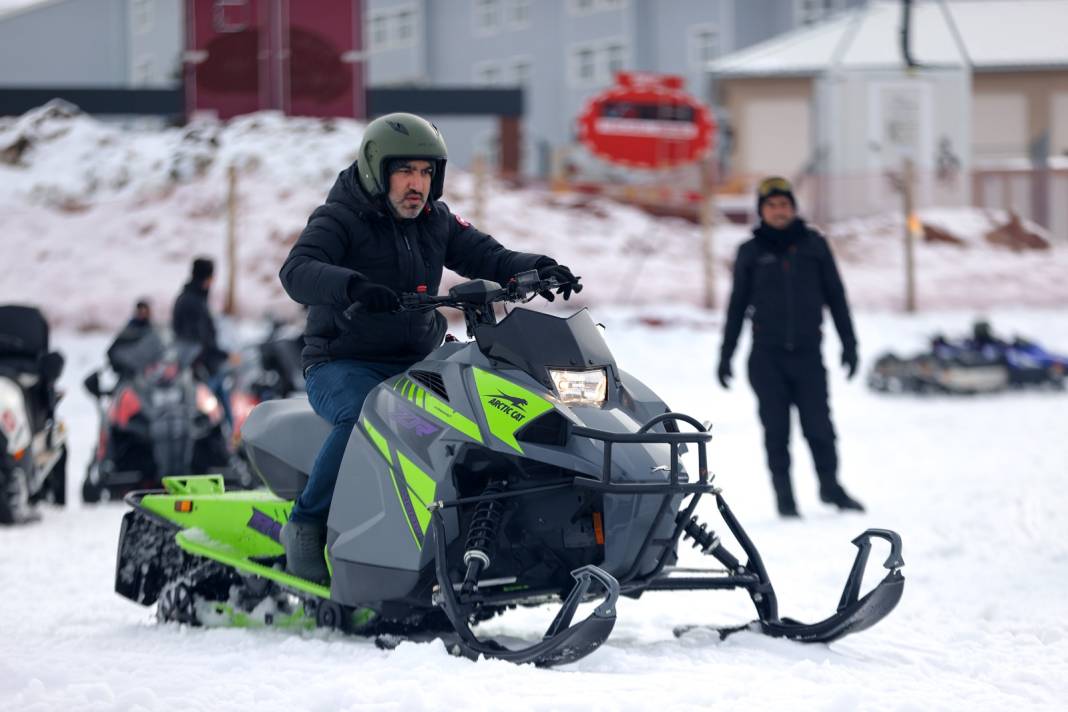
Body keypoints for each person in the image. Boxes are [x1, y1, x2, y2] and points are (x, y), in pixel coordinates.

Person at [278, 112, 578, 582]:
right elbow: (296, 272)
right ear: (377, 170)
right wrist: (353, 286)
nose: (416, 184)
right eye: (404, 171)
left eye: (425, 172)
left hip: (418, 360)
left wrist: (539, 266)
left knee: (484, 410)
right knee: (364, 416)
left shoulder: (435, 220)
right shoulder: (338, 218)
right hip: (343, 362)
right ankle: (305, 523)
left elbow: (488, 255)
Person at [717, 176, 864, 518]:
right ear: (761, 211)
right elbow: (737, 306)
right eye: (771, 206)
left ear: (794, 208)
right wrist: (725, 356)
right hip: (766, 358)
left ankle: (830, 487)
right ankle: (785, 498)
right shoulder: (751, 252)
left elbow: (836, 297)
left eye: (784, 205)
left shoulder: (814, 246)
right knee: (776, 430)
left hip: (808, 355)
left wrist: (849, 344)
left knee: (819, 426)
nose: (779, 211)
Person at [172, 257, 234, 426]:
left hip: (201, 366)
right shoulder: (193, 302)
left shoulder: (189, 298)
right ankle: (229, 440)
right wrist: (223, 355)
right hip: (200, 368)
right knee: (214, 412)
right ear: (206, 278)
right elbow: (199, 340)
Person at [106, 299, 157, 377]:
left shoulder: (149, 327)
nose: (144, 313)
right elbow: (116, 346)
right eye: (141, 311)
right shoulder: (132, 327)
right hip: (128, 366)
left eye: (145, 311)